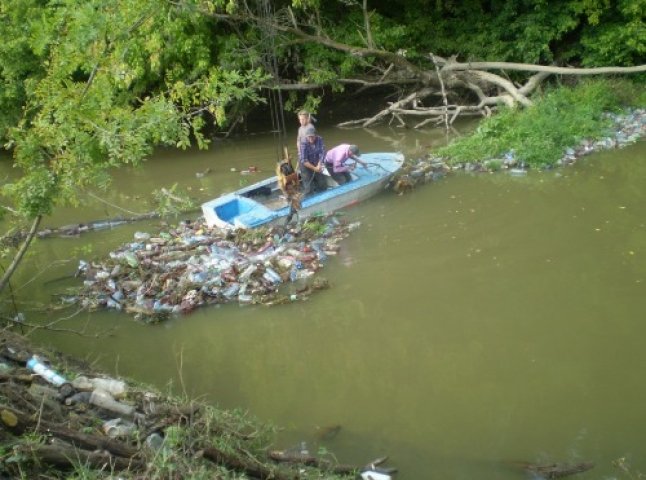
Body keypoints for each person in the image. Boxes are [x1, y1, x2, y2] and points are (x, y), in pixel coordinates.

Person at [298, 125, 327, 195]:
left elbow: (322, 152)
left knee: (322, 183)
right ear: (306, 136)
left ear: (316, 135)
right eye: (309, 137)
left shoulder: (320, 139)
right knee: (308, 185)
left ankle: (321, 195)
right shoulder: (303, 143)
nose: (310, 138)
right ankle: (309, 196)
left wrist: (319, 164)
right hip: (305, 164)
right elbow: (304, 160)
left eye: (312, 136)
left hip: (316, 162)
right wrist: (314, 168)